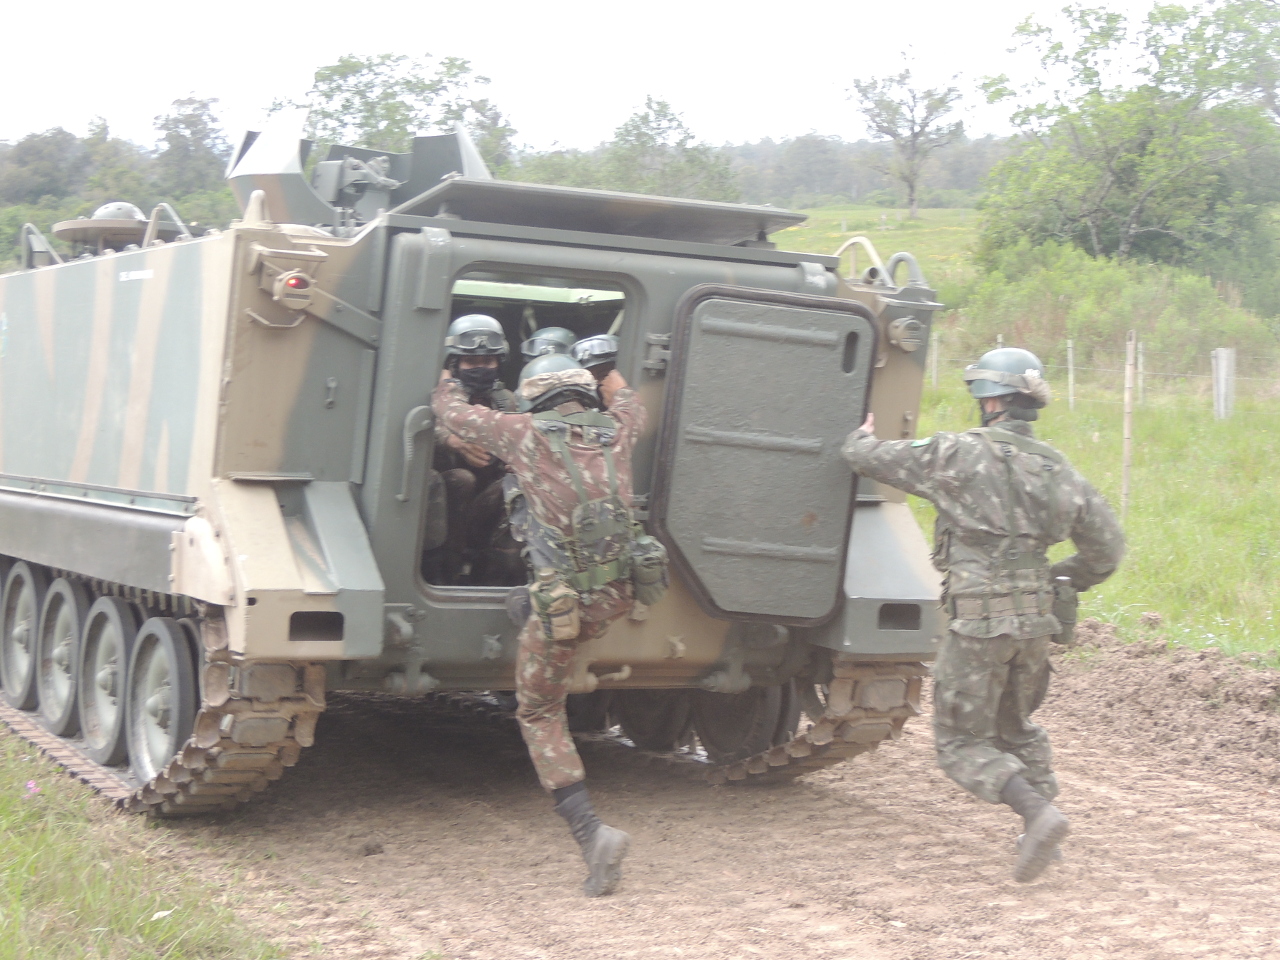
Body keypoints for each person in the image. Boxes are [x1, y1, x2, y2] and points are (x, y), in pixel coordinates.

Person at [841, 346, 1124, 883]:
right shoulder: (1059, 471)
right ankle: (1043, 831)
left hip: (976, 625)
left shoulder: (956, 454)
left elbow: (870, 459)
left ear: (989, 398)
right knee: (1017, 726)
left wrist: (858, 436)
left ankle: (1037, 814)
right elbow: (1107, 551)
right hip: (1036, 624)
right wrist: (1062, 579)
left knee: (959, 743)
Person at [432, 353, 646, 897]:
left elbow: (453, 414)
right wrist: (606, 368)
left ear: (535, 395)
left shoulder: (523, 432)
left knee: (540, 708)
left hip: (563, 605)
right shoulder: (619, 432)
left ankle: (592, 834)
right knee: (535, 617)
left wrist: (447, 376)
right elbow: (630, 401)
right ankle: (539, 627)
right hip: (616, 595)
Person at [427, 314, 519, 585]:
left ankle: (491, 571)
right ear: (454, 365)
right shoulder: (437, 395)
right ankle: (447, 570)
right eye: (471, 362)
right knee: (461, 480)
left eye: (487, 362)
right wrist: (452, 440)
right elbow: (421, 428)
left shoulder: (506, 401)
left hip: (487, 500)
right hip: (442, 501)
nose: (481, 368)